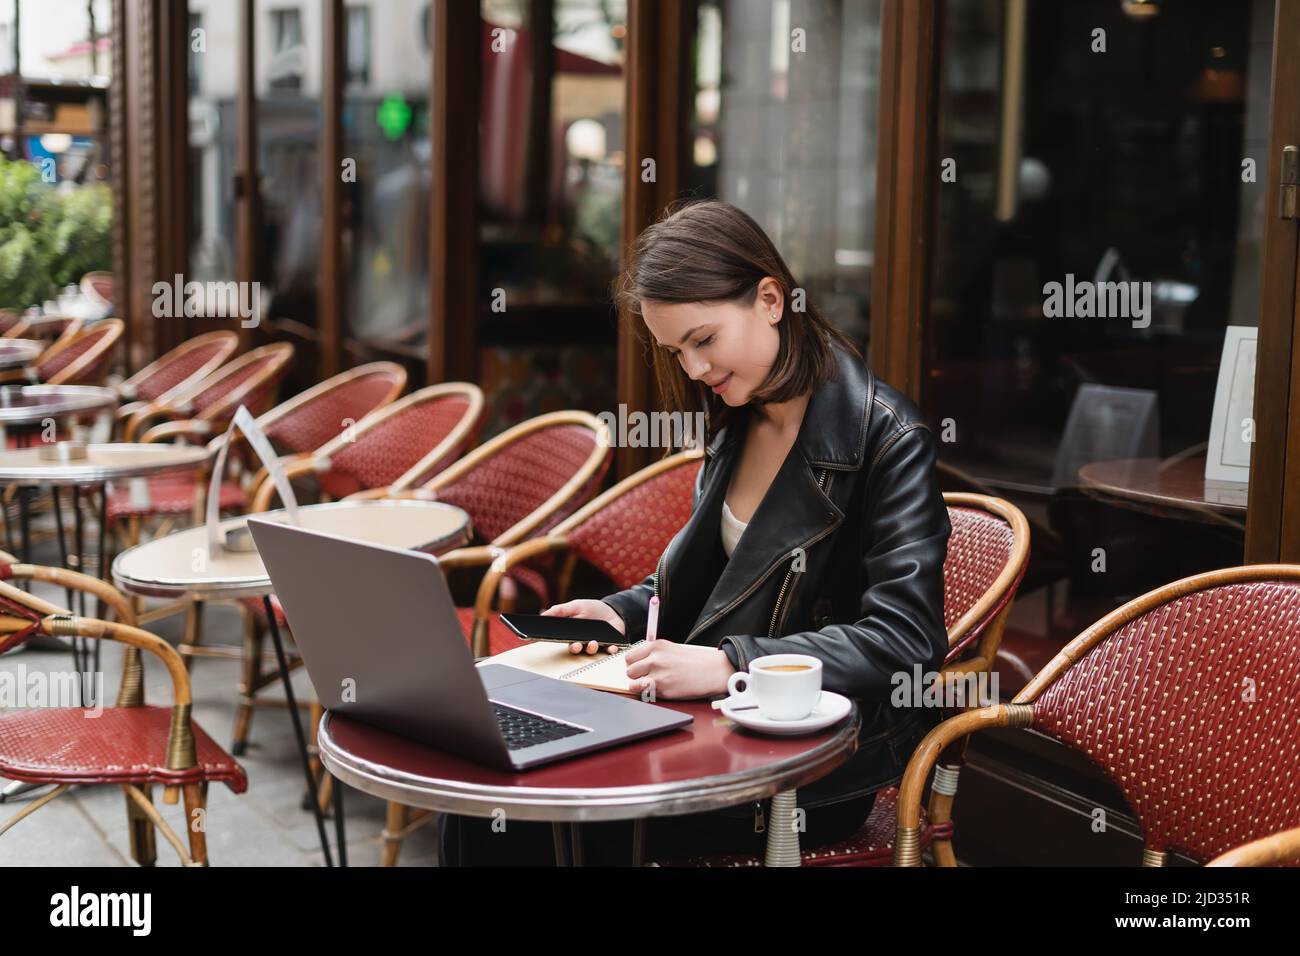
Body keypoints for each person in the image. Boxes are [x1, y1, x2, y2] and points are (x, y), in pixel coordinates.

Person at [439, 199, 950, 866]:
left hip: (805, 770)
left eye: (703, 340)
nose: (695, 370)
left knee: (530, 821)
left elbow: (906, 642)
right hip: (710, 730)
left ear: (771, 299)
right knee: (484, 799)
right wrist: (616, 614)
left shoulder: (887, 436)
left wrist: (731, 664)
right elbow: (710, 581)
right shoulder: (740, 417)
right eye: (677, 350)